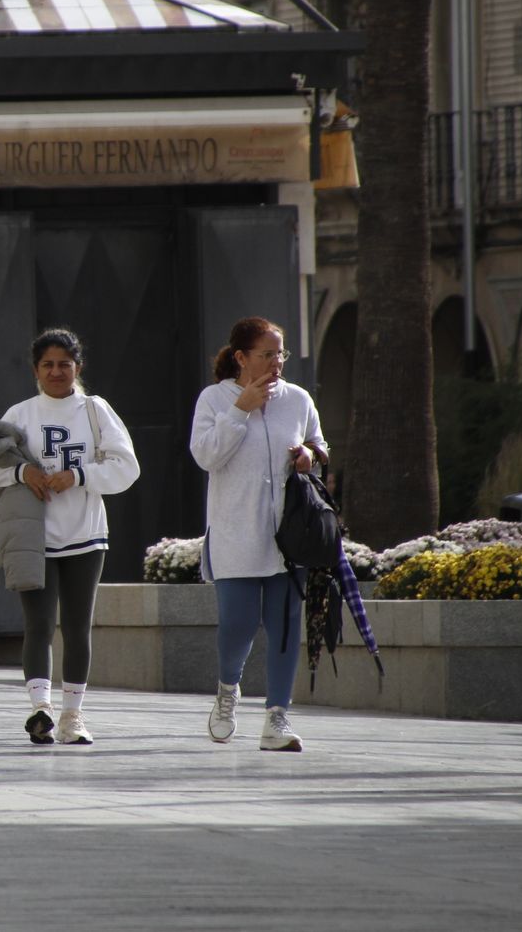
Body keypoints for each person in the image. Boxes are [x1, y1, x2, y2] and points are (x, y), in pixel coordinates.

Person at [0, 328, 139, 745]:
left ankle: (73, 715)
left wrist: (80, 475)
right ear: (35, 369)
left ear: (77, 367)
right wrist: (22, 472)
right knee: (39, 624)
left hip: (85, 532)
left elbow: (127, 467)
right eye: (47, 364)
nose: (56, 371)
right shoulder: (21, 413)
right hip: (35, 535)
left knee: (79, 626)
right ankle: (40, 709)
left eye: (64, 364)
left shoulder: (95, 410)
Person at [190, 316, 327, 753]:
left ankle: (277, 717)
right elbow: (207, 456)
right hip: (236, 533)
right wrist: (241, 409)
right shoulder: (215, 399)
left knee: (286, 626)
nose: (276, 363)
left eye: (280, 354)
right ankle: (228, 692)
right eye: (267, 354)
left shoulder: (298, 399)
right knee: (238, 623)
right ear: (241, 357)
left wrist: (310, 455)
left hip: (290, 537)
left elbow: (320, 445)